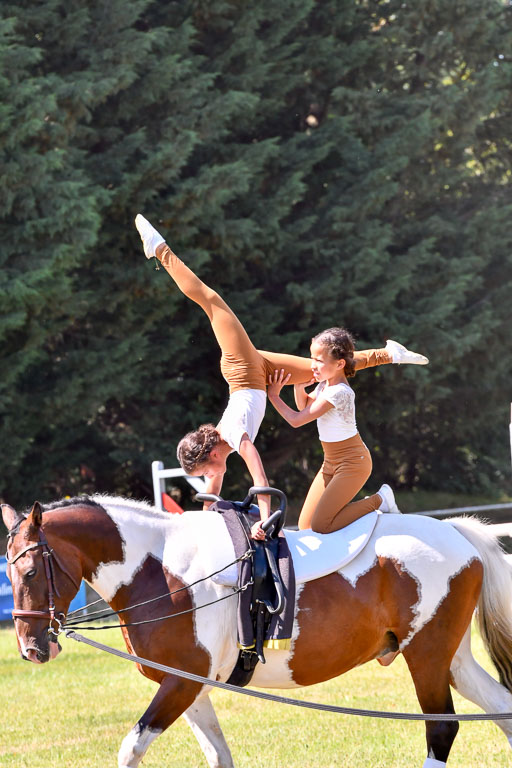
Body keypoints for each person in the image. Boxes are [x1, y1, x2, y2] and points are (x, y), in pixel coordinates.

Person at [135, 214, 427, 538]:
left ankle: (159, 249)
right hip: (263, 376)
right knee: (323, 366)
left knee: (212, 301)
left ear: (213, 455)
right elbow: (213, 487)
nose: (208, 478)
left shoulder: (234, 436)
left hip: (244, 371)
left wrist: (264, 520)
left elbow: (260, 480)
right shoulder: (219, 449)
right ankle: (390, 354)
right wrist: (204, 520)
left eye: (205, 472)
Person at [267, 326, 405, 534]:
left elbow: (296, 420)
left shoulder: (339, 392)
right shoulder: (325, 385)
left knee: (322, 525)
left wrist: (274, 396)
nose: (313, 365)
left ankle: (380, 500)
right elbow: (304, 406)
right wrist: (298, 388)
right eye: (312, 358)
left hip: (352, 463)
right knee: (306, 526)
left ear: (340, 363)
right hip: (330, 462)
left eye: (319, 361)